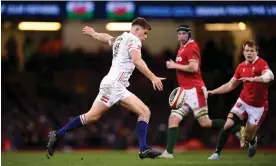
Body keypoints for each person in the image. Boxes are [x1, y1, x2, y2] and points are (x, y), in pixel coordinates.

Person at [46, 17, 165, 159]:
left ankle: (57, 134)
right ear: (137, 29)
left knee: (91, 116)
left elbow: (107, 37)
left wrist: (94, 33)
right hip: (115, 85)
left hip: (108, 83)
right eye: (145, 33)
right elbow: (137, 60)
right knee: (145, 112)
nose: (145, 37)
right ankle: (143, 149)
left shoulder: (121, 39)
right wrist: (152, 77)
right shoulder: (134, 40)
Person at [158, 25, 242, 159]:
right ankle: (168, 153)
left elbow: (193, 67)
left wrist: (175, 65)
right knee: (173, 119)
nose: (181, 36)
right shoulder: (182, 47)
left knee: (205, 122)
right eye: (179, 34)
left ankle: (236, 128)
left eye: (184, 34)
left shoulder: (192, 47)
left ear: (189, 34)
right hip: (185, 91)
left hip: (195, 90)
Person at [208, 40, 274, 160]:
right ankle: (216, 153)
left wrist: (256, 79)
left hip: (258, 107)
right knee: (228, 124)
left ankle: (252, 141)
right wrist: (213, 91)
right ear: (243, 52)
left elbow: (270, 75)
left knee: (248, 137)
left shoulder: (261, 63)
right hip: (243, 101)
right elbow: (230, 85)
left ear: (256, 52)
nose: (249, 53)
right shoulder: (241, 67)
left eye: (252, 51)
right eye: (247, 51)